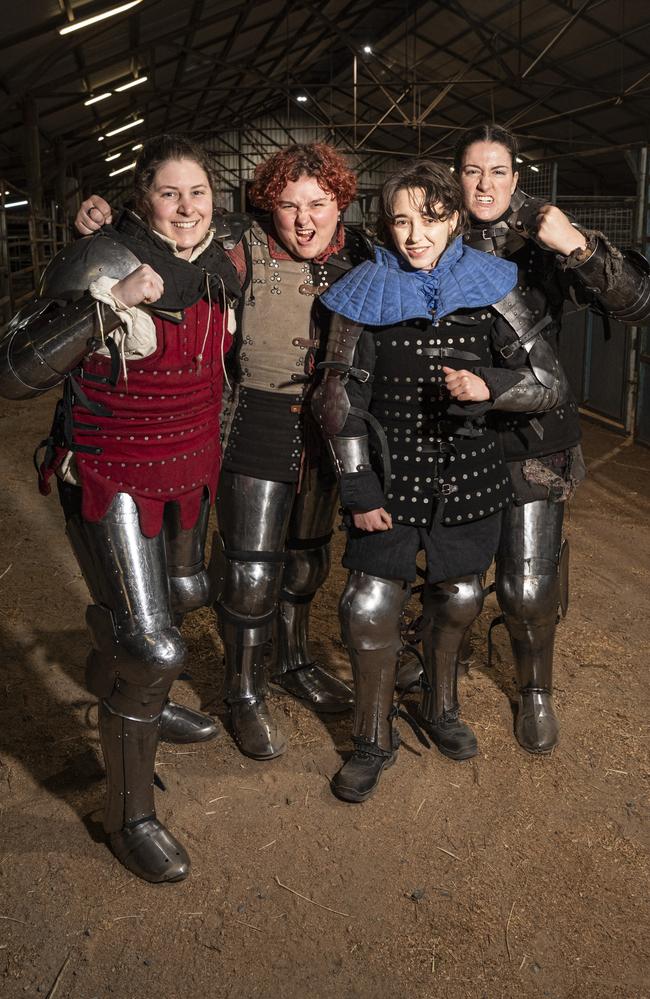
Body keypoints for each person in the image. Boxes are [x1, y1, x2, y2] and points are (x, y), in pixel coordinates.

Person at [75, 143, 373, 761]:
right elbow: (176, 241)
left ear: (340, 203)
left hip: (326, 429)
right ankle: (244, 693)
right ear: (269, 206)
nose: (303, 220)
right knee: (251, 575)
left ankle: (292, 662)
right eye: (289, 205)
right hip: (254, 421)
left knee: (308, 564)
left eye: (318, 205)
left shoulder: (364, 254)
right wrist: (110, 223)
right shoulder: (241, 245)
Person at [0, 134, 242, 882]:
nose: (185, 207)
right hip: (114, 471)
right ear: (144, 198)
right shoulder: (101, 257)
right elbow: (14, 374)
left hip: (188, 464)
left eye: (196, 192)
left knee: (181, 600)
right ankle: (129, 816)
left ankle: (141, 698)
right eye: (169, 193)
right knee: (154, 646)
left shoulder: (223, 261)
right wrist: (108, 304)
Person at [312, 159, 567, 802]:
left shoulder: (495, 286)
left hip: (469, 475)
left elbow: (551, 383)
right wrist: (358, 488)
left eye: (430, 218)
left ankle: (440, 707)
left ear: (454, 217)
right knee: (368, 608)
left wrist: (494, 386)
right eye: (401, 219)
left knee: (457, 598)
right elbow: (339, 401)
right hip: (390, 479)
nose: (415, 234)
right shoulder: (361, 292)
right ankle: (371, 739)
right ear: (385, 224)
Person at [453, 123, 650, 753]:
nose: (484, 185)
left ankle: (536, 688)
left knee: (527, 587)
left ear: (517, 178)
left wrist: (577, 247)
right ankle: (436, 669)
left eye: (498, 172)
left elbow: (638, 301)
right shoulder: (431, 231)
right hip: (454, 427)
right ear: (456, 176)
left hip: (536, 431)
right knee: (451, 575)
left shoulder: (541, 240)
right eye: (472, 171)